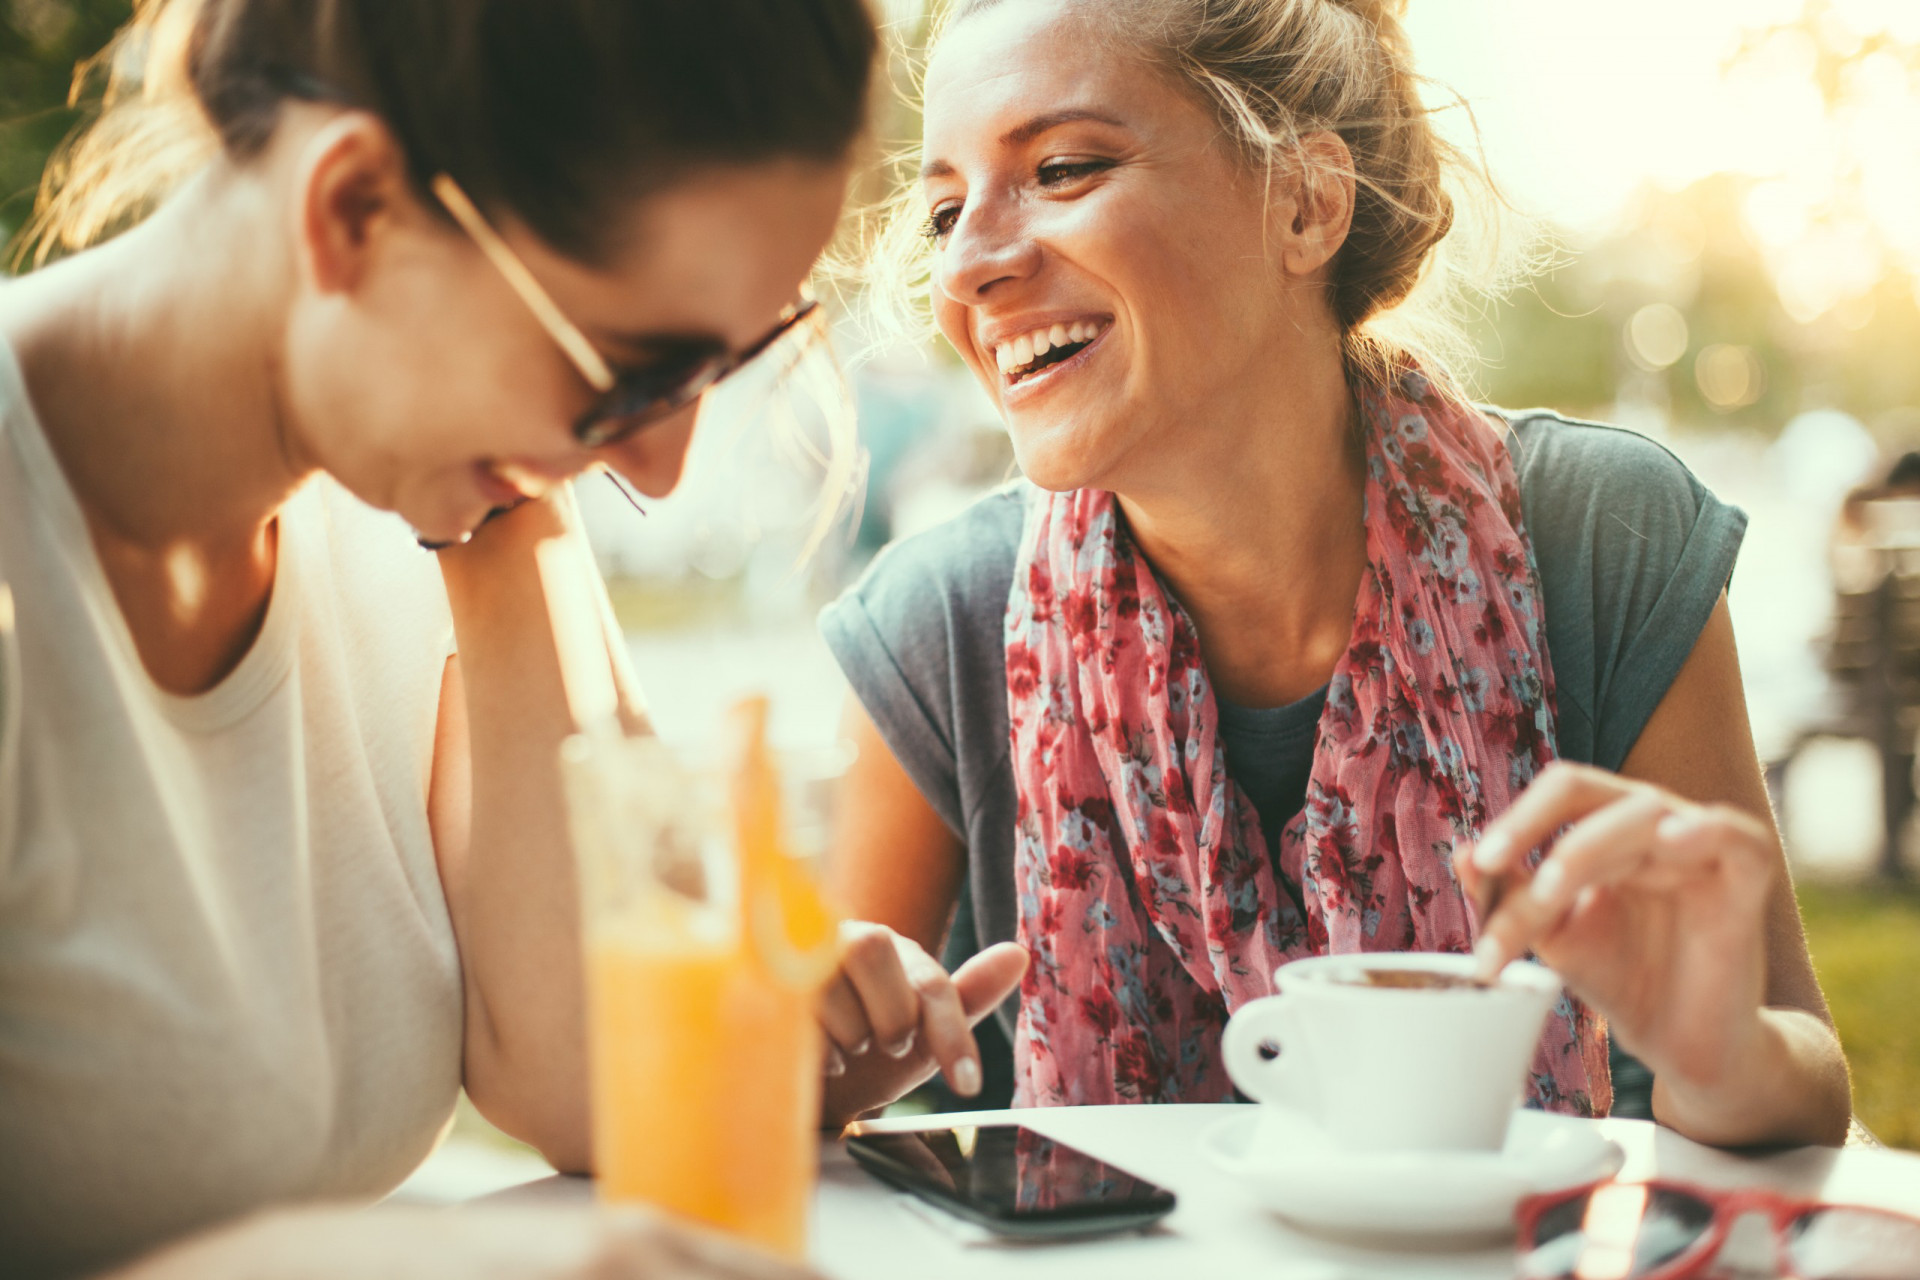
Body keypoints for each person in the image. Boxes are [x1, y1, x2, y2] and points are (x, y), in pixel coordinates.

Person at [811, 0, 1853, 1149]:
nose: (969, 265)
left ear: (1305, 203)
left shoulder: (1599, 539)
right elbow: (783, 1109)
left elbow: (1796, 1085)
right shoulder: (939, 624)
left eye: (1060, 169)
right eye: (947, 210)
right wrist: (818, 1061)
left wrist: (1722, 1047)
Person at [0, 0, 874, 1275]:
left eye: (719, 372)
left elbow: (596, 1078)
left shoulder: (422, 489)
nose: (661, 468)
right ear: (353, 211)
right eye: (634, 371)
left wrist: (516, 468)